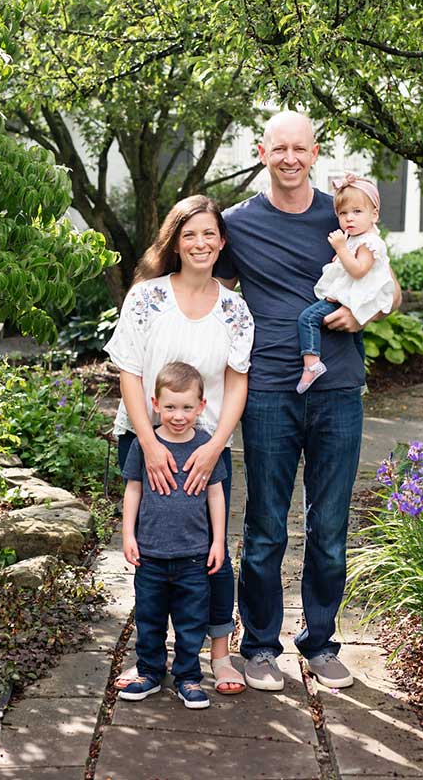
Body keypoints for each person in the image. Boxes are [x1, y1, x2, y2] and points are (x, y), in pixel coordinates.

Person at [214, 111, 401, 692]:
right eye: (279, 148)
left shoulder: (343, 212)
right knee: (265, 523)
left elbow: (393, 288)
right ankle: (262, 647)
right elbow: (209, 291)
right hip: (268, 387)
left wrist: (364, 311)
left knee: (330, 526)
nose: (290, 158)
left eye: (300, 148)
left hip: (338, 387)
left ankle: (319, 643)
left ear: (315, 153)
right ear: (262, 150)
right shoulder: (237, 224)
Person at [104, 195, 254, 695]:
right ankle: (149, 661)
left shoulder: (234, 310)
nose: (200, 243)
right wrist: (147, 441)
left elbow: (237, 382)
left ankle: (219, 655)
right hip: (148, 440)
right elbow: (128, 369)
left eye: (209, 234)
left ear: (222, 241)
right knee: (150, 549)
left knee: (211, 553)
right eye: (190, 234)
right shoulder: (147, 297)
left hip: (205, 448)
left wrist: (217, 447)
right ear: (175, 240)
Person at [119, 362, 226, 709]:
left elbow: (216, 495)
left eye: (186, 408)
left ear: (201, 407)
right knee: (149, 618)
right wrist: (128, 535)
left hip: (193, 555)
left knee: (191, 621)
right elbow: (133, 490)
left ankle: (189, 677)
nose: (178, 416)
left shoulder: (206, 445)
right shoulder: (143, 445)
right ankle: (149, 672)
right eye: (169, 407)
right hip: (150, 554)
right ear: (154, 403)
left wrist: (219, 541)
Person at [296, 172, 394, 393]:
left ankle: (312, 363)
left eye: (357, 212)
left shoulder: (369, 243)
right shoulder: (357, 238)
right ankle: (359, 379)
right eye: (343, 213)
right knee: (355, 339)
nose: (349, 218)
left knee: (308, 318)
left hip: (352, 298)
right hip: (349, 297)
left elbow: (359, 270)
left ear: (374, 214)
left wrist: (340, 248)